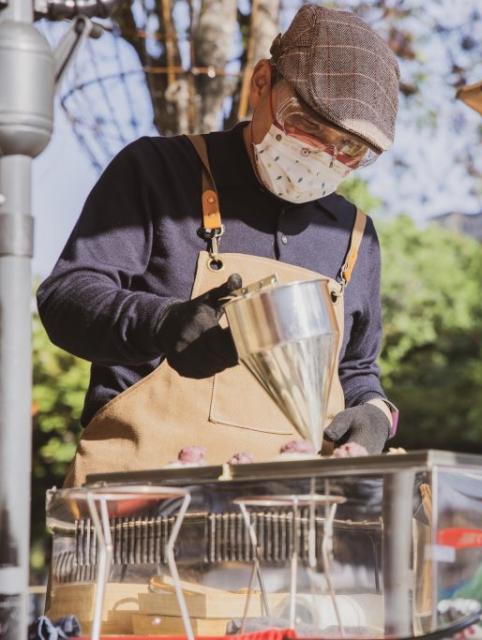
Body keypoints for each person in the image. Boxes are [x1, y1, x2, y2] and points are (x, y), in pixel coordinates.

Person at [37, 4, 400, 486]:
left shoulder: (353, 235)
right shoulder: (155, 172)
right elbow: (65, 298)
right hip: (141, 510)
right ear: (262, 82)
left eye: (350, 148)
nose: (324, 156)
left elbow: (356, 369)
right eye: (308, 124)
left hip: (289, 521)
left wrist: (376, 413)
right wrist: (161, 323)